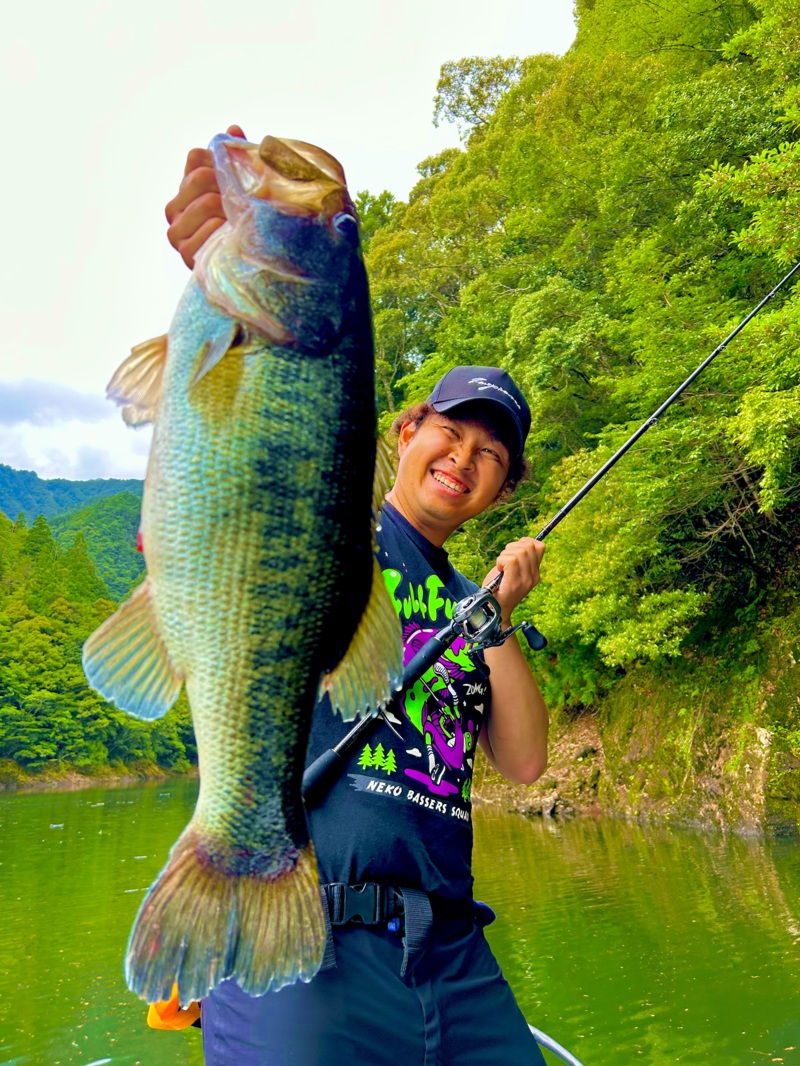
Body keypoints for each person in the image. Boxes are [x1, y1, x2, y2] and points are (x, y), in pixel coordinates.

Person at [164, 128, 550, 1065]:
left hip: (453, 953)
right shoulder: (335, 530)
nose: (465, 460)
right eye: (452, 434)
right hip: (308, 936)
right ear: (406, 429)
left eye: (493, 456)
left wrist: (495, 615)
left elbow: (528, 762)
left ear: (504, 488)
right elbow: (241, 453)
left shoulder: (471, 601)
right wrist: (231, 250)